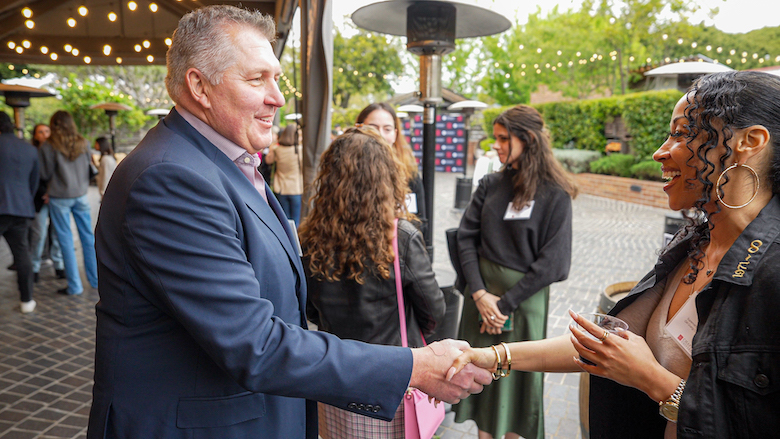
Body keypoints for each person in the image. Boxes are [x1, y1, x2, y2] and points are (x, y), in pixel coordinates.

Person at [87, 6, 491, 439]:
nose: (277, 97)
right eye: (256, 79)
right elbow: (255, 344)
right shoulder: (171, 178)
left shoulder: (219, 160)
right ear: (199, 86)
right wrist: (414, 365)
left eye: (276, 78)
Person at [449, 71, 780, 439]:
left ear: (750, 142)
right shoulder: (692, 244)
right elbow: (606, 347)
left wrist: (654, 382)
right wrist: (494, 356)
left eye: (682, 133)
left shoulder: (772, 275)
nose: (659, 151)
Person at [300, 127, 446, 438]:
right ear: (386, 179)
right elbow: (434, 309)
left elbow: (311, 309)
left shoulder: (311, 236)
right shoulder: (400, 237)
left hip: (335, 376)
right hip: (390, 377)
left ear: (329, 179)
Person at [452, 105, 578, 439]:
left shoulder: (556, 194)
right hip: (480, 303)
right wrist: (479, 294)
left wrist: (503, 306)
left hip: (521, 307)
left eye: (504, 138)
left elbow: (555, 263)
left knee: (515, 388)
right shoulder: (491, 183)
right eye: (496, 138)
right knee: (484, 387)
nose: (496, 145)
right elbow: (465, 238)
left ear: (529, 139)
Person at [38, 110, 99, 296]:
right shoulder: (83, 142)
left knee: (65, 241)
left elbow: (45, 174)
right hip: (81, 194)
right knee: (88, 238)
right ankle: (96, 280)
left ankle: (74, 286)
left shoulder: (48, 146)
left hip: (59, 197)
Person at [356, 103, 427, 232]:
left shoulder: (409, 174)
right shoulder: (347, 171)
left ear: (395, 134)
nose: (380, 135)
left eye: (387, 129)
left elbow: (420, 222)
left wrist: (402, 220)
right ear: (359, 129)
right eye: (373, 128)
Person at [0, 112, 39, 313]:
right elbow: (34, 183)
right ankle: (27, 300)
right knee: (22, 255)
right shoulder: (29, 149)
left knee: (22, 255)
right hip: (21, 208)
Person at [27, 123, 66, 283]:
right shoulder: (31, 152)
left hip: (56, 197)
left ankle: (58, 265)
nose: (44, 134)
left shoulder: (56, 149)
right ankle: (34, 267)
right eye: (40, 132)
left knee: (57, 234)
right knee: (39, 234)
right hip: (40, 199)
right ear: (35, 136)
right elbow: (31, 177)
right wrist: (45, 193)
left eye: (47, 131)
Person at [264, 124, 303, 227]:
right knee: (296, 220)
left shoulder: (277, 149)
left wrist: (272, 148)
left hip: (280, 187)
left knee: (284, 220)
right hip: (296, 188)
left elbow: (268, 161)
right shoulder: (300, 150)